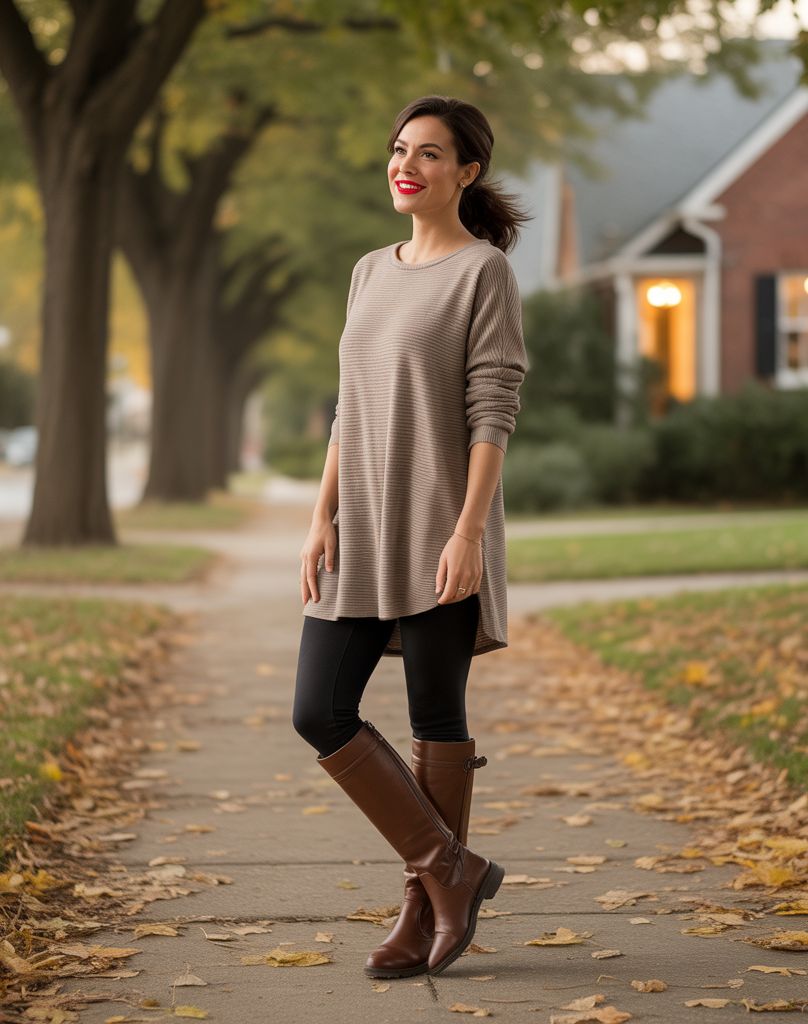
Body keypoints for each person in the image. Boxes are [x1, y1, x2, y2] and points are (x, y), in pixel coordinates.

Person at [292, 95, 529, 979]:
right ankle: (450, 873)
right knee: (317, 709)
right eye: (399, 150)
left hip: (439, 523)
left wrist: (470, 532)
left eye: (429, 154)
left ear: (466, 174)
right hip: (361, 524)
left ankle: (421, 909)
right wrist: (322, 513)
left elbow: (492, 411)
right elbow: (350, 407)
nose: (407, 165)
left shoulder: (484, 275)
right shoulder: (368, 270)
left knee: (437, 717)